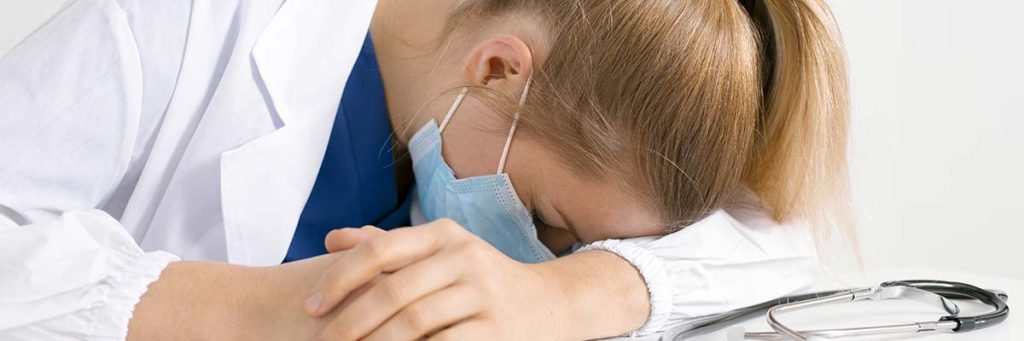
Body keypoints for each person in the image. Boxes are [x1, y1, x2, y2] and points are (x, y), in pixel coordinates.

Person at [0, 0, 853, 339]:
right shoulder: (190, 24)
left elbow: (782, 259)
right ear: (498, 72)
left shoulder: (554, 227)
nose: (541, 249)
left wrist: (561, 293)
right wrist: (301, 309)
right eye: (550, 219)